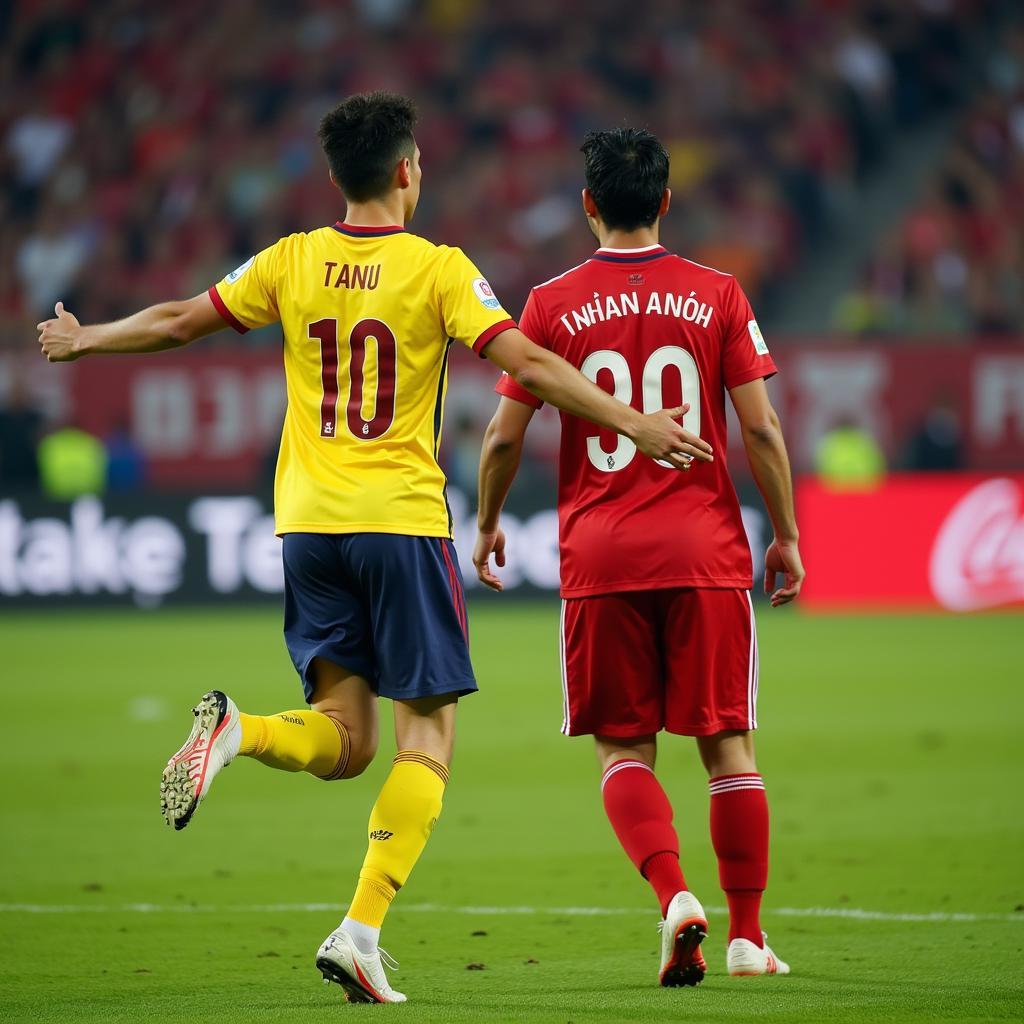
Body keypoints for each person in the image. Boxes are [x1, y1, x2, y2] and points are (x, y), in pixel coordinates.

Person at [36, 93, 708, 1005]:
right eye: (420, 161)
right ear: (405, 171)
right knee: (424, 735)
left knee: (347, 741)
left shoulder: (291, 259)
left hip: (307, 525)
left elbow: (179, 321)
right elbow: (531, 365)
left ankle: (241, 731)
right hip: (398, 519)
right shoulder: (437, 270)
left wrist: (86, 340)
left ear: (333, 177)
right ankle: (360, 930)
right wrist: (634, 420)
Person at [473, 127, 805, 987]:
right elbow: (761, 427)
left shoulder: (546, 304)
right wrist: (788, 535)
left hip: (602, 556)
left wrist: (487, 520)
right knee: (729, 746)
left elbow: (504, 438)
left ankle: (673, 898)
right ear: (665, 201)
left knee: (624, 751)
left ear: (588, 205)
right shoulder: (721, 293)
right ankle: (746, 937)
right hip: (706, 552)